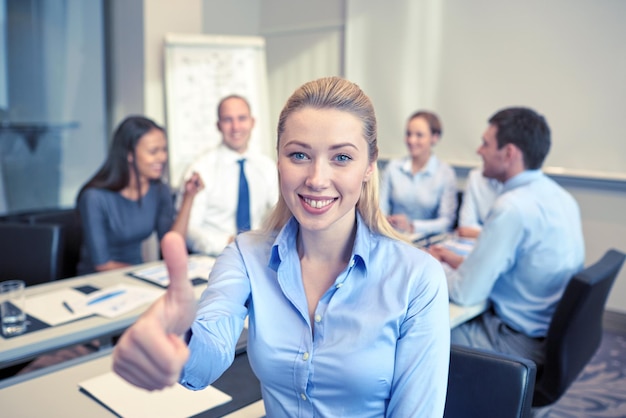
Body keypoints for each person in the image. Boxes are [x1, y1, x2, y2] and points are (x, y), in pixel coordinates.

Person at [113, 77, 450, 417]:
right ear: (279, 159)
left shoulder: (416, 278)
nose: (317, 179)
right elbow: (208, 356)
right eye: (299, 154)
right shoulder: (246, 256)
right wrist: (179, 338)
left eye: (342, 158)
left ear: (369, 166)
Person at [429, 107, 585, 366]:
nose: (479, 150)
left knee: (424, 333)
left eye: (485, 143)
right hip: (547, 335)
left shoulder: (512, 208)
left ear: (509, 153)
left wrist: (428, 264)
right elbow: (511, 270)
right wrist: (454, 260)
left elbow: (464, 293)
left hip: (516, 342)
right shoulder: (561, 197)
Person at [76, 116, 203, 275]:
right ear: (129, 154)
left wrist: (188, 197)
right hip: (98, 281)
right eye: (153, 151)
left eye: (164, 150)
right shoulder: (94, 197)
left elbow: (172, 246)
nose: (162, 157)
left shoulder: (158, 189)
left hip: (137, 276)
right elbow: (102, 265)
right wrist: (148, 273)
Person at [181, 95, 278, 255]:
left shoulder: (267, 167)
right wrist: (231, 243)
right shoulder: (200, 169)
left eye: (242, 118)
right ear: (218, 125)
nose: (236, 127)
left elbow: (280, 213)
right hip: (214, 257)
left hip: (257, 254)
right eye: (228, 120)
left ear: (252, 122)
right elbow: (189, 229)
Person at [380, 110, 457, 237]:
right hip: (392, 236)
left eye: (419, 135)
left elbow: (446, 222)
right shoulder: (393, 168)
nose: (411, 140)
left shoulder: (445, 173)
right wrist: (385, 220)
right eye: (408, 134)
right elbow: (379, 208)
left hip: (426, 242)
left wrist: (412, 226)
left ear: (435, 137)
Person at [456, 167, 503, 238]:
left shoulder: (521, 184)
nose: (479, 154)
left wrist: (475, 233)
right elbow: (465, 227)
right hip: (474, 244)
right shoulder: (475, 176)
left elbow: (511, 234)